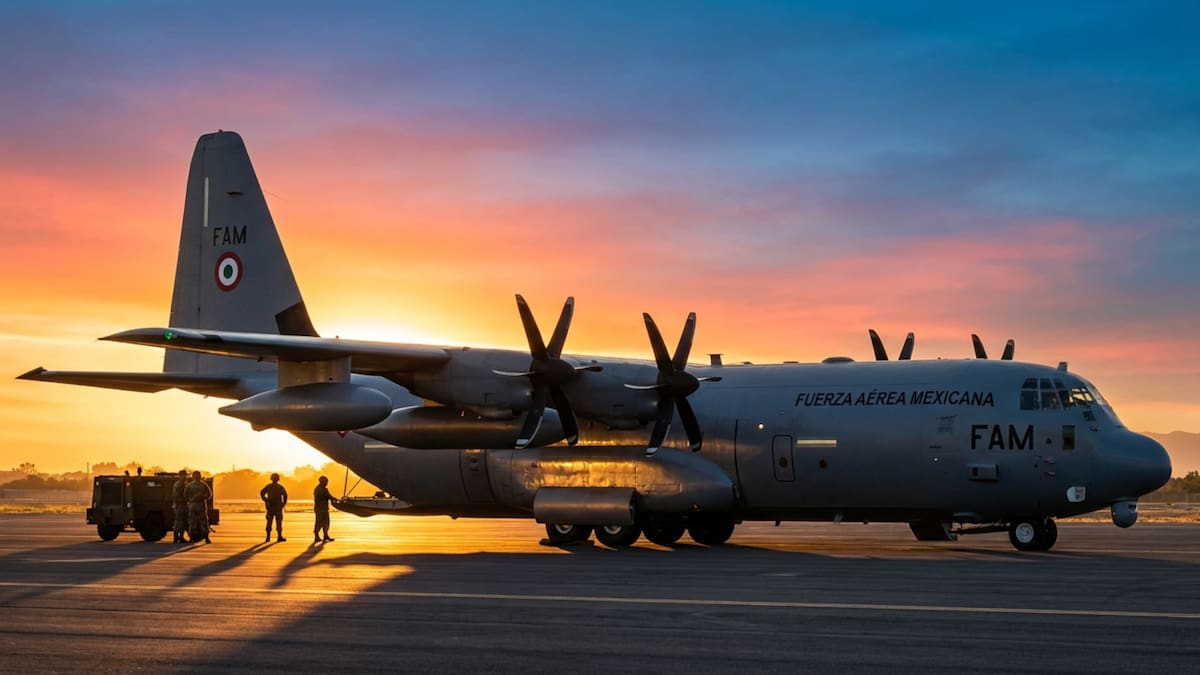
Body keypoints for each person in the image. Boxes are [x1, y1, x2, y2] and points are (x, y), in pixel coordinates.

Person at [184, 470, 212, 544]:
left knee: (193, 522)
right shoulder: (203, 485)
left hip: (193, 505)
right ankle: (206, 537)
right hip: (199, 505)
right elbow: (209, 494)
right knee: (202, 522)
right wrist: (203, 498)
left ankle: (192, 538)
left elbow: (185, 496)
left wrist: (190, 500)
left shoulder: (189, 485)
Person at [259, 473, 288, 542]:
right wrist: (283, 504)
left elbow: (262, 492)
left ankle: (268, 537)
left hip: (271, 507)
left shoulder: (269, 487)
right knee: (278, 522)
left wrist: (266, 500)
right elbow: (285, 495)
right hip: (276, 507)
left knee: (270, 522)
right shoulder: (279, 487)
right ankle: (279, 536)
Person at [312, 476, 339, 543]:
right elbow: (325, 497)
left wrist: (334, 499)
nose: (327, 483)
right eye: (326, 482)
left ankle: (325, 535)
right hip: (319, 509)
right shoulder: (318, 490)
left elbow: (329, 496)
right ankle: (316, 536)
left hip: (325, 509)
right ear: (322, 482)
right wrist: (332, 499)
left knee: (326, 523)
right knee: (319, 523)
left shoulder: (325, 489)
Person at [171, 468, 189, 543]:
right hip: (179, 505)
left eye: (185, 475)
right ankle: (176, 537)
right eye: (183, 475)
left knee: (183, 522)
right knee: (178, 522)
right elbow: (176, 496)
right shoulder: (178, 484)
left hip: (183, 505)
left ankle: (181, 537)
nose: (184, 477)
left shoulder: (184, 484)